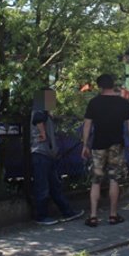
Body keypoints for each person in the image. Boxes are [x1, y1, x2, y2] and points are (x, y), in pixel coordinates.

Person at [81, 73, 129, 227]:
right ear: (113, 85)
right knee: (114, 179)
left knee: (96, 180)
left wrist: (85, 145)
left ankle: (93, 216)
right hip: (116, 145)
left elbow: (87, 125)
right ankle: (112, 215)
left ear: (100, 87)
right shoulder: (123, 103)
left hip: (98, 145)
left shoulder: (94, 103)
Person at [30, 88, 83, 225]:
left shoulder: (44, 112)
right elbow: (38, 120)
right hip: (41, 152)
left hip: (47, 154)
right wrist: (43, 134)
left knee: (53, 185)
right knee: (44, 187)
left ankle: (67, 211)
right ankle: (42, 216)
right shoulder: (39, 110)